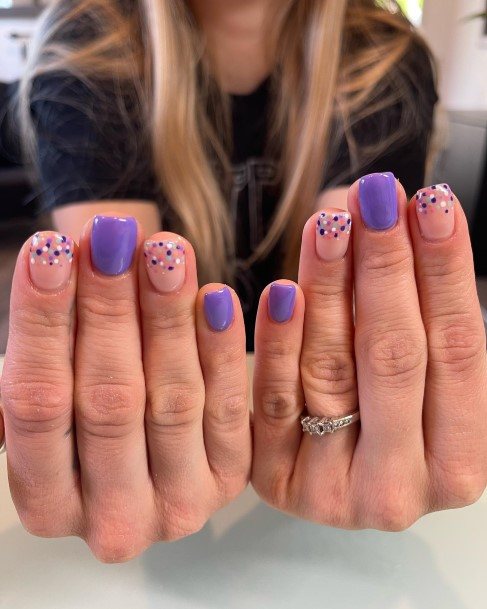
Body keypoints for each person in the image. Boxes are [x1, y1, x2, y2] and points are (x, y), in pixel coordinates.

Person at [0, 0, 485, 563]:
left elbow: (349, 321)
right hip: (162, 473)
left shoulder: (381, 52)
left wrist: (358, 401)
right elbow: (120, 319)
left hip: (314, 502)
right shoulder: (93, 39)